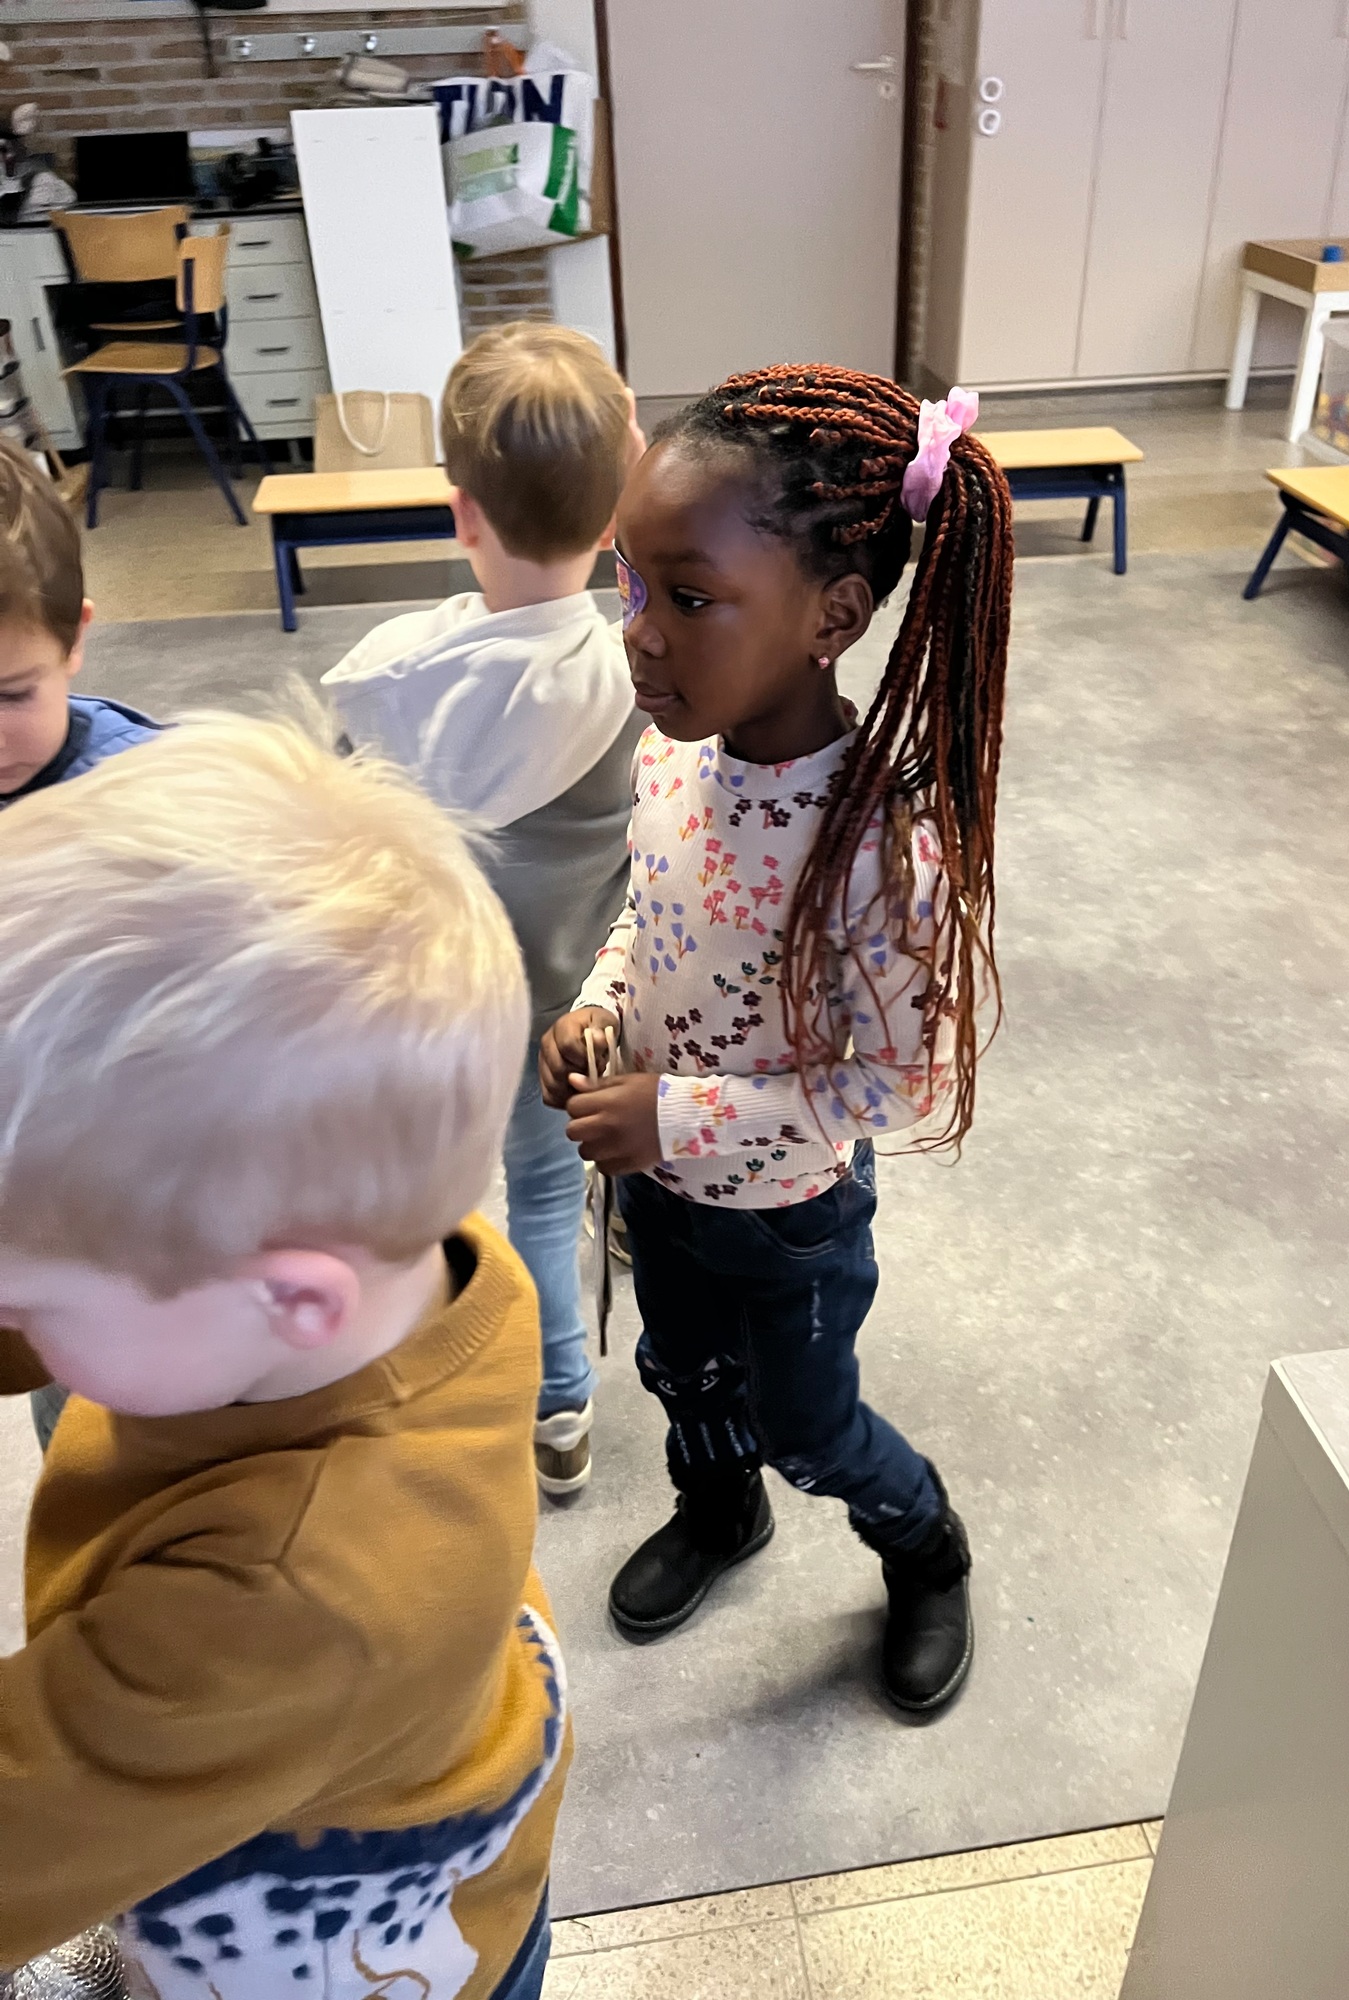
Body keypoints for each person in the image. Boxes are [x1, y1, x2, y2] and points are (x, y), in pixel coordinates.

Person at [0, 714, 568, 2000]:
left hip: (332, 1946)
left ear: (290, 1295)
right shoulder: (423, 1254)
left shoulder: (279, 1597)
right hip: (433, 1792)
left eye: (29, 1296)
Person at [540, 365, 1013, 1715]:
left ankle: (924, 1545)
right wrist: (599, 1006)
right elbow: (650, 915)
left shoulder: (878, 846)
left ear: (833, 616)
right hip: (661, 1193)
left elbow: (894, 1077)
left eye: (689, 599)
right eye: (631, 585)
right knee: (680, 1373)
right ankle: (717, 1508)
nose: (639, 635)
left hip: (789, 1217)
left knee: (810, 1424)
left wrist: (674, 1113)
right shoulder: (671, 755)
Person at [325, 323, 642, 1500]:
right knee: (560, 1190)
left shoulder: (389, 669)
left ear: (461, 512)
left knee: (464, 1197)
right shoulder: (631, 675)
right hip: (579, 1005)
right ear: (613, 519)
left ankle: (492, 1397)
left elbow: (343, 833)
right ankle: (571, 1391)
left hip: (443, 1002)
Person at [0, 436, 162, 1453]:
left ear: (75, 640)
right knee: (71, 1428)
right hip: (28, 1209)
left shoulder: (151, 794)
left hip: (142, 1187)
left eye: (10, 695)